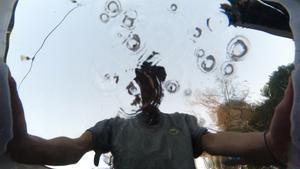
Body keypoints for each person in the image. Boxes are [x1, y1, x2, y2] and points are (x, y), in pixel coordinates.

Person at [6, 61, 293, 169]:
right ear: (132, 92)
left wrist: (267, 143)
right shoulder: (113, 127)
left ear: (159, 92)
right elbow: (73, 148)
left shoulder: (182, 122)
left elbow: (216, 143)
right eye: (138, 85)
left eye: (149, 84)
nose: (142, 91)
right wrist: (32, 147)